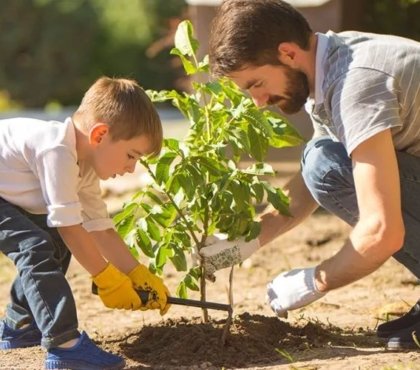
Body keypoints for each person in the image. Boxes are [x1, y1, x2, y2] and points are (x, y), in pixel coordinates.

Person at [199, 0, 420, 350]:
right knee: (320, 160)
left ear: (287, 53)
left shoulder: (356, 83)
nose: (258, 101)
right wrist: (244, 243)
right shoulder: (330, 64)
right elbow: (310, 184)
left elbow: (382, 230)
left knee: (324, 163)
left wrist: (315, 281)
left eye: (256, 83)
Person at [0, 76, 171, 369]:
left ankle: (20, 325)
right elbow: (69, 227)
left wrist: (136, 273)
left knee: (53, 241)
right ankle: (65, 347)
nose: (131, 168)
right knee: (36, 246)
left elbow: (99, 227)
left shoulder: (85, 165)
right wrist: (106, 279)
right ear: (100, 134)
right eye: (131, 156)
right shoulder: (55, 149)